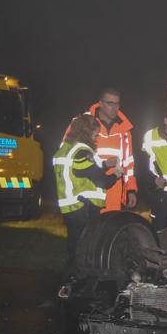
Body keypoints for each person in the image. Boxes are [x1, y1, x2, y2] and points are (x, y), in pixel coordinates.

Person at [53, 114, 121, 268]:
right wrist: (117, 174)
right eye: (95, 134)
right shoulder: (82, 152)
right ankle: (80, 277)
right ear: (86, 132)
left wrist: (105, 165)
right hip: (84, 207)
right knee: (85, 248)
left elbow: (82, 172)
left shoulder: (66, 149)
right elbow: (101, 181)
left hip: (70, 206)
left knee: (74, 244)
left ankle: (71, 276)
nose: (96, 138)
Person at [76, 87, 137, 212]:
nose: (114, 108)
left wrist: (130, 189)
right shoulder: (83, 123)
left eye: (117, 104)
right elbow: (69, 154)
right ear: (100, 103)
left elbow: (128, 163)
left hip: (114, 191)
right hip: (88, 189)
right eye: (110, 103)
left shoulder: (124, 129)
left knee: (111, 223)